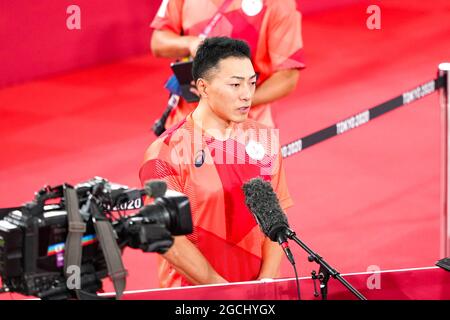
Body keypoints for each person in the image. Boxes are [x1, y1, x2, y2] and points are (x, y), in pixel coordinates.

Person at [139, 37, 294, 288]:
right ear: (203, 87)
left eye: (252, 83)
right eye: (235, 84)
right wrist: (222, 290)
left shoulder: (263, 139)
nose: (247, 95)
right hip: (195, 298)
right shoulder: (164, 153)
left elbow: (277, 215)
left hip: (254, 294)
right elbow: (168, 237)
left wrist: (265, 282)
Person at [150, 0, 305, 130]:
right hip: (188, 125)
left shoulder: (279, 3)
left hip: (248, 131)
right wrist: (190, 44)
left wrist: (236, 101)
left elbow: (288, 76)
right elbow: (158, 41)